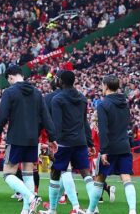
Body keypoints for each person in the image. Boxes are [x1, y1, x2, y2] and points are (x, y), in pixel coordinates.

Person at [0, 66, 54, 214]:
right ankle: (26, 210)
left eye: (9, 80)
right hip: (32, 139)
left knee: (7, 173)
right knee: (27, 173)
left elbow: (2, 116)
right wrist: (53, 137)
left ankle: (32, 197)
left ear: (11, 77)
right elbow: (46, 117)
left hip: (16, 138)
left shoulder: (10, 92)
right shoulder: (37, 93)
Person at [41, 70, 94, 214]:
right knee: (86, 173)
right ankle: (93, 209)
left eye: (57, 78)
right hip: (80, 141)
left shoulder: (57, 99)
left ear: (61, 82)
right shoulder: (82, 98)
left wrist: (53, 143)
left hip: (64, 142)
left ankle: (52, 210)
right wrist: (90, 143)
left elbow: (57, 124)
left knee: (56, 172)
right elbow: (85, 122)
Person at [85, 75, 137, 214]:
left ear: (106, 86)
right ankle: (132, 210)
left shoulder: (103, 104)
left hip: (110, 147)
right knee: (126, 178)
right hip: (124, 145)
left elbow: (104, 129)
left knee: (99, 179)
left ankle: (90, 211)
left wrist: (104, 151)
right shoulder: (125, 103)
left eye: (102, 85)